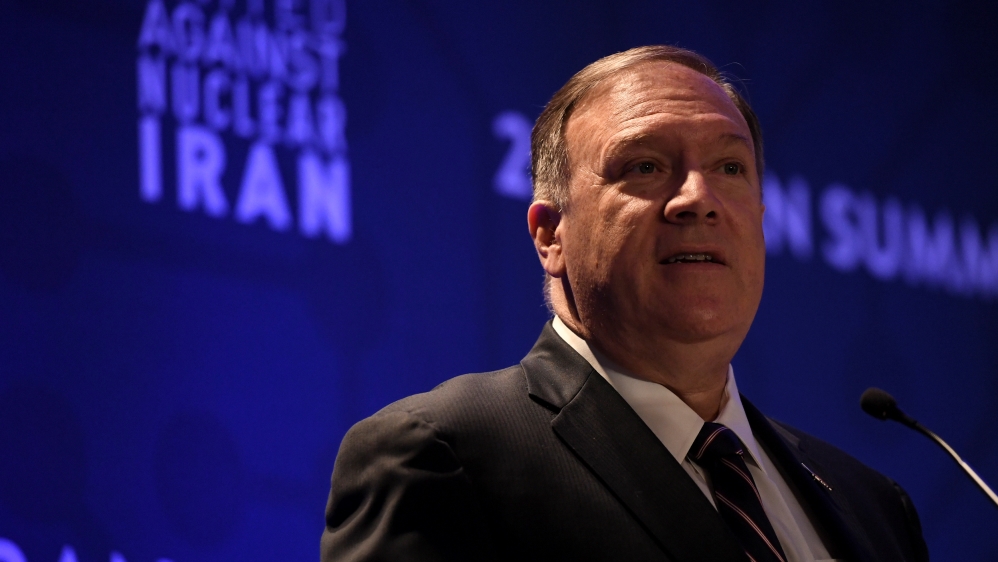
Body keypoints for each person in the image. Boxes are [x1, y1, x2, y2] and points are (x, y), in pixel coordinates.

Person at [320, 45, 929, 561]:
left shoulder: (874, 507)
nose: (699, 198)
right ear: (550, 236)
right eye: (645, 165)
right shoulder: (443, 458)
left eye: (729, 167)